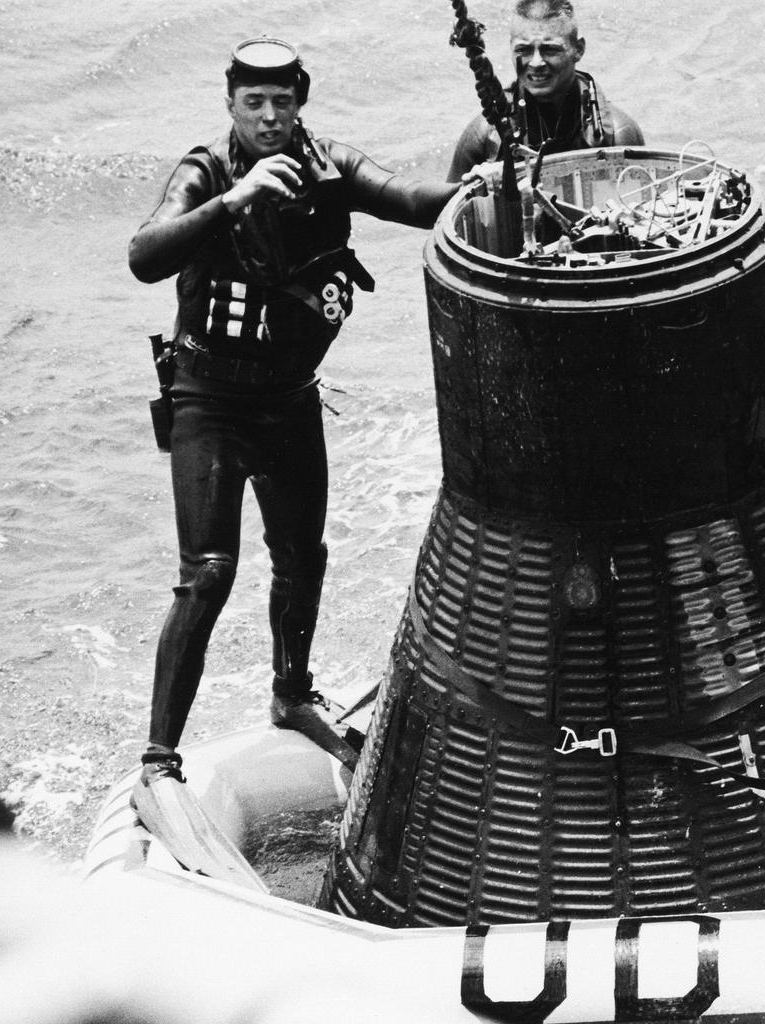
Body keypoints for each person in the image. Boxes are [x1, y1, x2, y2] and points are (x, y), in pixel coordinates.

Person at [127, 38, 463, 830]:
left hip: (287, 401)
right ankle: (157, 757)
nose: (270, 117)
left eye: (283, 102)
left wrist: (476, 188)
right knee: (209, 571)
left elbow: (410, 199)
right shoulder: (206, 171)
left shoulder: (329, 166)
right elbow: (143, 256)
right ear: (231, 105)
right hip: (208, 401)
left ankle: (292, 693)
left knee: (303, 555)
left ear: (300, 103)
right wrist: (234, 199)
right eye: (254, 103)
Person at [445, 0, 644, 183]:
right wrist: (474, 186)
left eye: (550, 50)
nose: (536, 62)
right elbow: (445, 206)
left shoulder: (618, 134)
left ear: (578, 49)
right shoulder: (485, 134)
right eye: (524, 50)